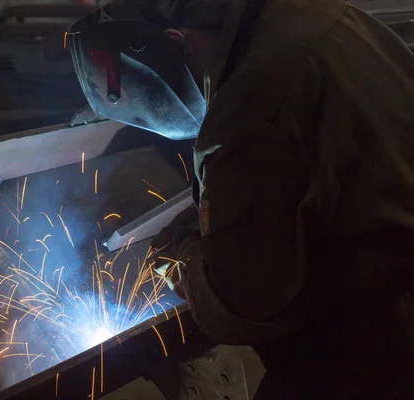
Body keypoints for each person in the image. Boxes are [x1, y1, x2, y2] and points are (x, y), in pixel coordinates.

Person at [68, 0, 414, 398]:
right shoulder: (308, 16)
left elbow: (240, 302)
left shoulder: (253, 98)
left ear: (180, 47)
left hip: (378, 345)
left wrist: (181, 261)